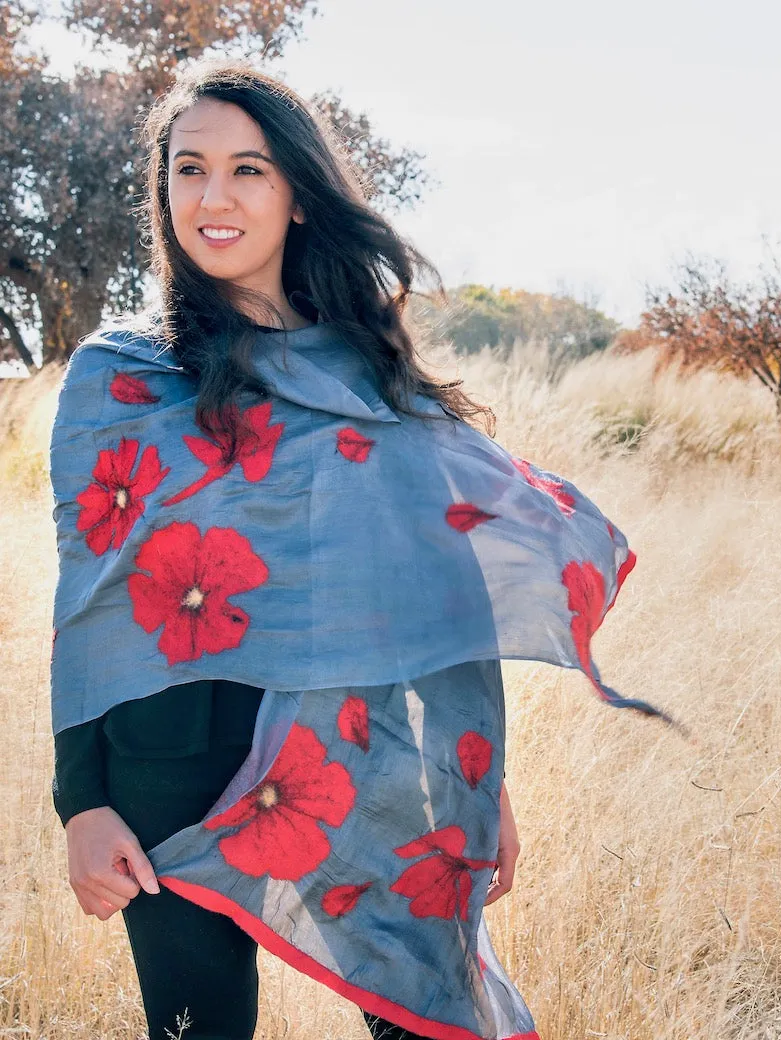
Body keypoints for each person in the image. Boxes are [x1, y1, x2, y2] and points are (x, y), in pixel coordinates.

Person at [49, 59, 667, 1040]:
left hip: (361, 755)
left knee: (426, 1019)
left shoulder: (368, 377)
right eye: (189, 169)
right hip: (165, 774)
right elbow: (90, 603)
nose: (214, 197)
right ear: (161, 190)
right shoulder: (118, 376)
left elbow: (431, 598)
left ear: (296, 194)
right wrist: (81, 802)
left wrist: (478, 781)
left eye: (248, 170)